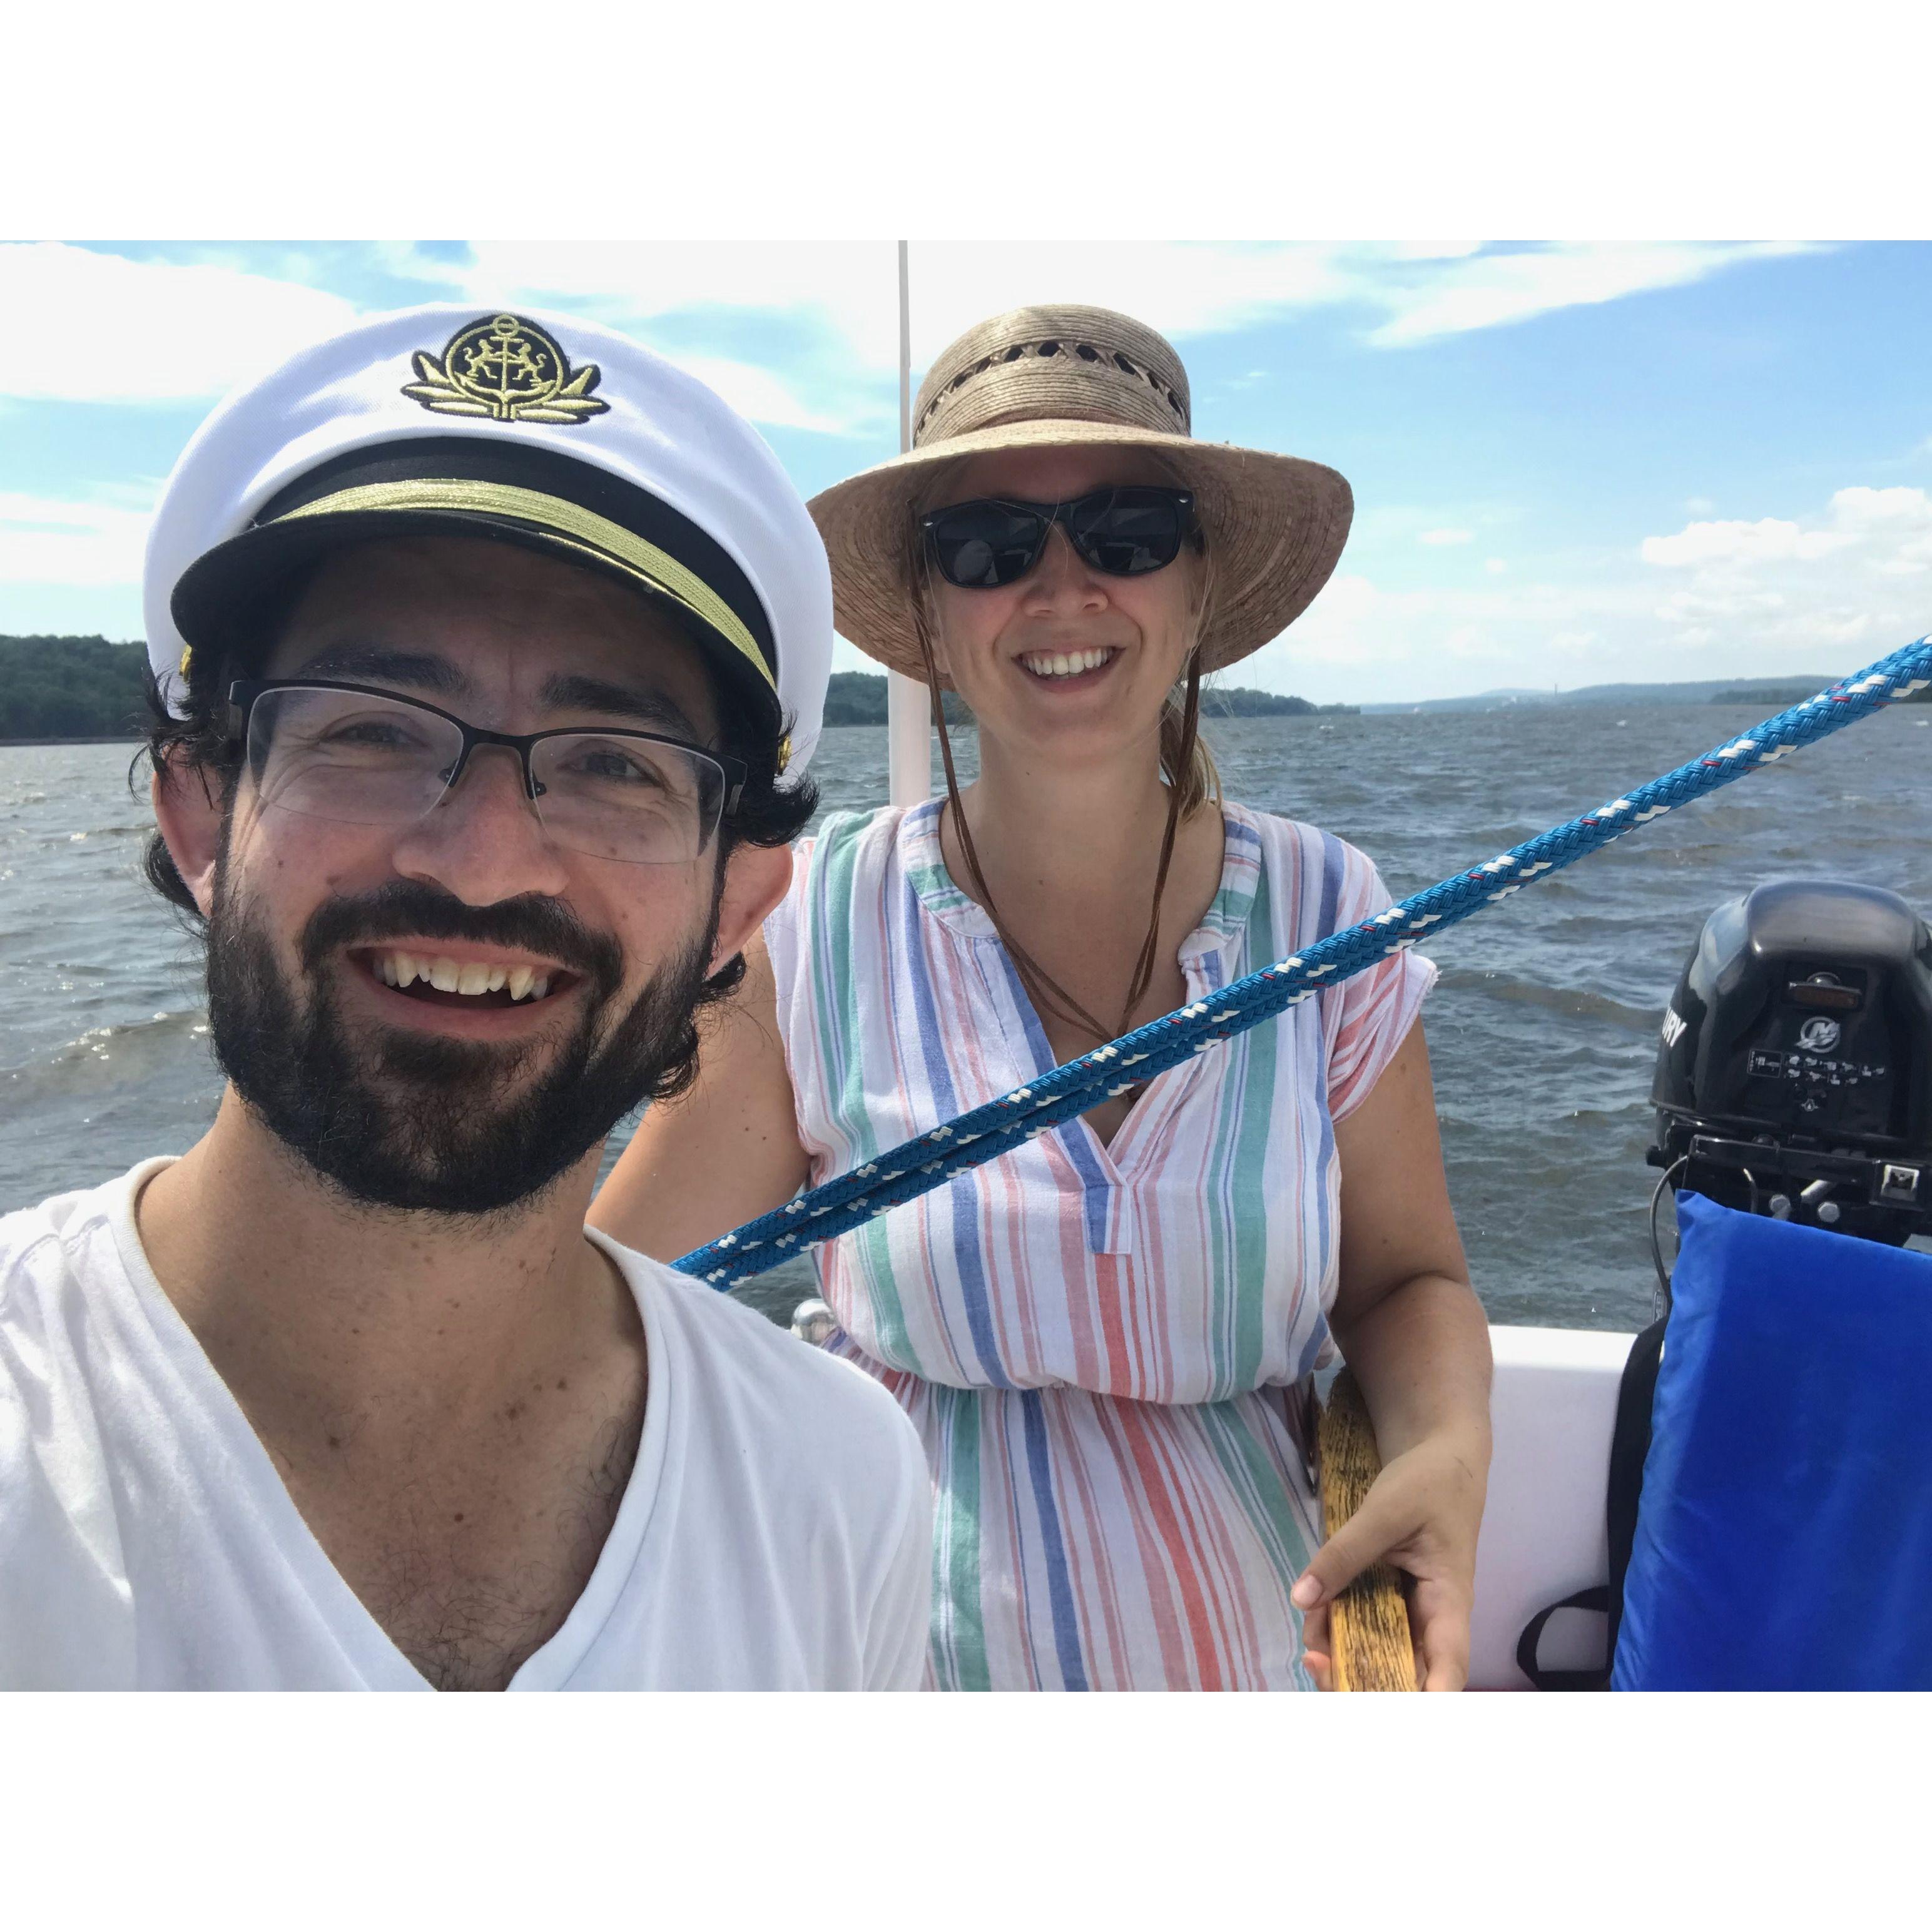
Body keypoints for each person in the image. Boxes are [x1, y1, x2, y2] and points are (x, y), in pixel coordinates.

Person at [0, 305, 932, 1690]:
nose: (484, 861)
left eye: (615, 762)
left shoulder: (835, 1482)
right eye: (370, 730)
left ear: (736, 903)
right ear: (202, 815)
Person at [593, 304, 1493, 1691]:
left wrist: (1443, 1449)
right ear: (934, 625)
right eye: (989, 547)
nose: (1062, 587)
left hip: (1271, 1659)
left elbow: (1404, 1279)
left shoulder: (1329, 917)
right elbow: (614, 1298)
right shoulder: (811, 930)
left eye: (1128, 532)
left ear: (1196, 590)